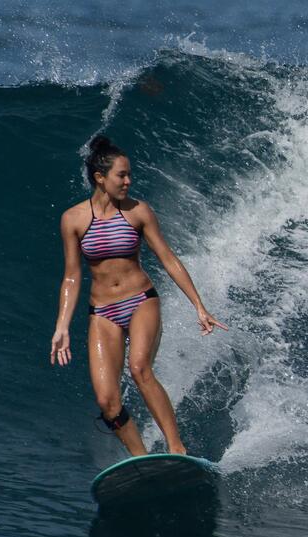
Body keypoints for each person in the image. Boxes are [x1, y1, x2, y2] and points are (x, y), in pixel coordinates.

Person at [50, 135, 227, 456]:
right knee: (107, 401)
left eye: (129, 174)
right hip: (102, 313)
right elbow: (72, 275)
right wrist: (62, 326)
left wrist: (199, 306)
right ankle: (140, 459)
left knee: (140, 367)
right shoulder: (73, 219)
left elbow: (168, 259)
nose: (129, 181)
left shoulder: (137, 212)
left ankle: (177, 448)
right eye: (122, 175)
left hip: (141, 302)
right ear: (100, 178)